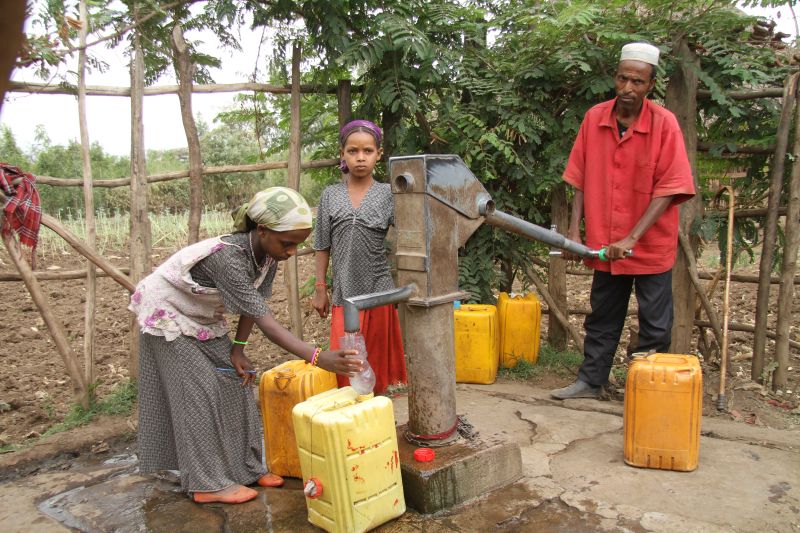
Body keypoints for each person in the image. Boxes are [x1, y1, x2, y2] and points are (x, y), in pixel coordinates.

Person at [129, 187, 361, 504]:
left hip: (202, 314)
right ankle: (206, 484)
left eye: (297, 243)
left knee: (238, 379)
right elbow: (266, 320)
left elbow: (256, 302)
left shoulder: (269, 255)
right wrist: (318, 356)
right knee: (197, 391)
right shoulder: (228, 257)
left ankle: (247, 468)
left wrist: (237, 349)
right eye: (287, 243)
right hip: (167, 314)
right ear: (262, 230)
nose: (292, 251)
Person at [551, 42, 696, 400]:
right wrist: (573, 230)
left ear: (651, 84)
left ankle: (646, 390)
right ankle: (592, 380)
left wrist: (633, 237)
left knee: (655, 324)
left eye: (637, 81)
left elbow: (670, 187)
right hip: (605, 242)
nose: (628, 88)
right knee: (603, 315)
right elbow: (579, 177)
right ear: (614, 78)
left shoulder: (665, 125)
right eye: (622, 79)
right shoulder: (595, 118)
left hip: (649, 244)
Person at [312, 119, 407, 394]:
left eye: (367, 151)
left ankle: (374, 423)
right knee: (348, 367)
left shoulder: (389, 194)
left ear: (379, 153)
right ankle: (348, 426)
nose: (360, 157)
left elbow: (411, 233)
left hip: (378, 291)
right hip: (344, 293)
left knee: (375, 370)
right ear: (342, 153)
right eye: (353, 151)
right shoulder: (331, 195)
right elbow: (322, 244)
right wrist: (320, 287)